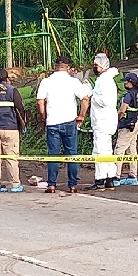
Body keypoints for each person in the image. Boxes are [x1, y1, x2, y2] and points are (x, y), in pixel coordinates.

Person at [36, 56, 91, 193]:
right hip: (69, 122)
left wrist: (44, 116)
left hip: (52, 122)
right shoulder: (73, 82)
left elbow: (40, 101)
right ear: (67, 67)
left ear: (55, 66)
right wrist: (81, 116)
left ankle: (52, 185)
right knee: (71, 154)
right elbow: (85, 98)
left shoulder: (46, 82)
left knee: (53, 154)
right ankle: (72, 185)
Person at [86, 53, 119, 191]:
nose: (95, 67)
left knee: (99, 150)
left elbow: (105, 101)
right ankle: (109, 178)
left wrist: (91, 94)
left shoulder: (104, 81)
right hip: (105, 121)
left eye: (96, 65)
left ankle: (100, 179)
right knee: (107, 150)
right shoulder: (105, 80)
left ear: (102, 66)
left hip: (102, 121)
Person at [114, 72, 138, 186]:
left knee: (119, 151)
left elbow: (122, 110)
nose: (125, 83)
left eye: (126, 81)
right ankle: (133, 175)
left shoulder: (128, 95)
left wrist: (116, 120)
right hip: (135, 124)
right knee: (132, 150)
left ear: (131, 83)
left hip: (126, 126)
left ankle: (115, 176)